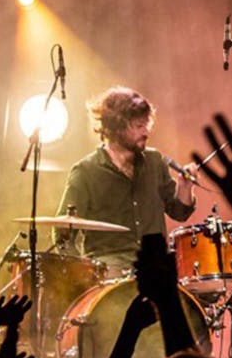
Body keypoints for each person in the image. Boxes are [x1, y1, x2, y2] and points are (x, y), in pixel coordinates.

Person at [56, 87, 195, 270]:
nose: (146, 132)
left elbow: (180, 213)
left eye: (147, 125)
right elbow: (62, 234)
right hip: (108, 272)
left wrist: (185, 187)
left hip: (155, 267)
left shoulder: (155, 161)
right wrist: (81, 273)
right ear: (116, 127)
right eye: (138, 126)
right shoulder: (85, 171)